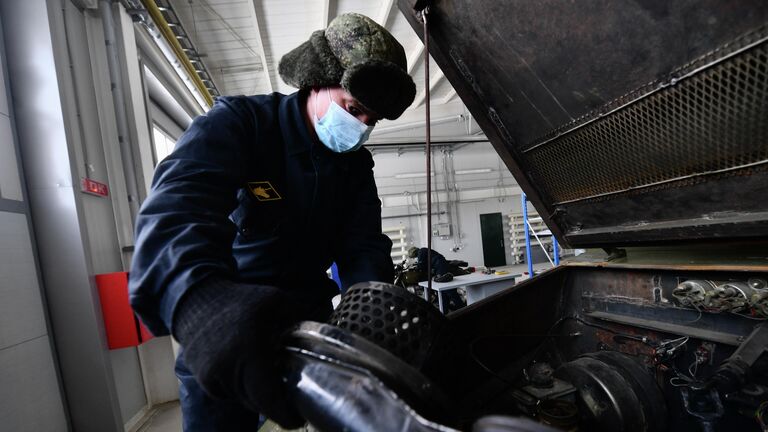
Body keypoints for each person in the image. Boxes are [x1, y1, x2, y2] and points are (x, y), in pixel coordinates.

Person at [128, 13, 416, 431]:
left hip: (308, 326)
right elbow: (179, 205)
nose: (360, 127)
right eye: (354, 109)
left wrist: (371, 320)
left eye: (372, 120)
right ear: (316, 81)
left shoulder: (354, 167)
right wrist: (198, 301)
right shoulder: (241, 124)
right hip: (229, 326)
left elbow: (364, 248)